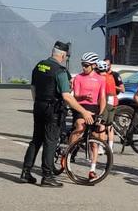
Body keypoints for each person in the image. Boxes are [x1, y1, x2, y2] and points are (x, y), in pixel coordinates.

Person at [20, 42, 96, 187]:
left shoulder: (39, 66)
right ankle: (47, 176)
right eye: (65, 56)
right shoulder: (60, 71)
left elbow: (33, 87)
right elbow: (67, 96)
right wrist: (83, 111)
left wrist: (38, 102)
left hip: (39, 106)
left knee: (36, 140)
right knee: (50, 142)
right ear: (62, 55)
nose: (64, 59)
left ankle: (26, 172)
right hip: (53, 110)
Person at [66, 54, 107, 180]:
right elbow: (76, 96)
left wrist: (101, 114)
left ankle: (92, 169)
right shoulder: (78, 77)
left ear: (94, 65)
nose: (83, 67)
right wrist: (84, 97)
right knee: (80, 126)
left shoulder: (100, 79)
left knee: (95, 140)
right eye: (82, 65)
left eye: (86, 65)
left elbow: (102, 98)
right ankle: (68, 152)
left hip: (94, 107)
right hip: (81, 106)